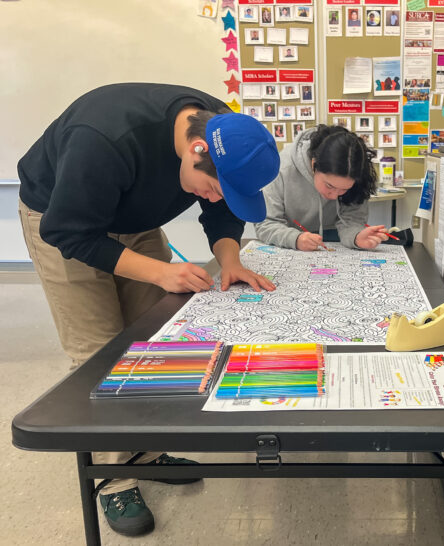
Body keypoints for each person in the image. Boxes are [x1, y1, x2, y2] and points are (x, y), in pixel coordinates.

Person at [16, 83, 280, 537]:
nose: (214, 197)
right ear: (196, 150)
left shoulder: (221, 131)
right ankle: (114, 479)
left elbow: (221, 211)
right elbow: (70, 231)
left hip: (133, 220)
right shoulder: (104, 138)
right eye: (214, 188)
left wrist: (230, 260)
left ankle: (148, 451)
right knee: (99, 353)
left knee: (154, 338)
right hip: (63, 221)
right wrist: (160, 273)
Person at [254, 125, 388, 251]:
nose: (335, 196)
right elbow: (266, 224)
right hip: (289, 243)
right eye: (329, 185)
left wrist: (356, 237)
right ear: (314, 164)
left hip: (336, 242)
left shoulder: (358, 173)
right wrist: (295, 239)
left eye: (344, 189)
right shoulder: (281, 168)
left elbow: (351, 220)